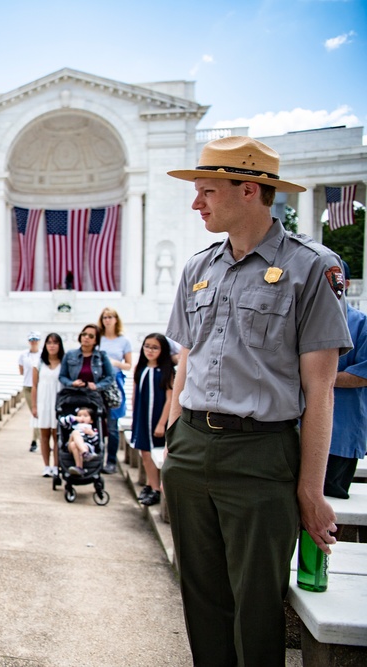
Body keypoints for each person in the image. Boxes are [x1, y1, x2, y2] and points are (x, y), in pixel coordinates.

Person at [164, 136, 350, 665]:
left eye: (205, 191)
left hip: (261, 454)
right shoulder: (198, 267)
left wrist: (311, 490)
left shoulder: (313, 267)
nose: (196, 203)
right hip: (193, 448)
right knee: (201, 599)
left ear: (248, 190)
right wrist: (176, 439)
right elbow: (187, 362)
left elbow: (320, 388)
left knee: (256, 606)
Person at [326, 259, 367, 499]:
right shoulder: (300, 321)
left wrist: (315, 377)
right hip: (295, 433)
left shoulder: (361, 324)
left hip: (340, 435)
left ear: (347, 284)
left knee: (327, 510)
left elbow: (362, 376)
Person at [130, 333, 174, 506]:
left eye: (155, 347)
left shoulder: (166, 371)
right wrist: (135, 417)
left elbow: (170, 399)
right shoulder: (140, 368)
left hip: (156, 418)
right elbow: (135, 395)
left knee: (150, 452)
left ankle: (156, 489)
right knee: (144, 452)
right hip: (142, 416)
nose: (150, 350)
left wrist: (162, 423)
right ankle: (150, 484)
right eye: (147, 346)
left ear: (162, 350)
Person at [98, 308, 132, 474]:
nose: (107, 320)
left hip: (115, 382)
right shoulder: (98, 338)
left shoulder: (123, 341)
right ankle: (96, 458)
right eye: (105, 317)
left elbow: (129, 364)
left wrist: (114, 363)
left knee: (112, 425)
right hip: (98, 382)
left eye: (110, 317)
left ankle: (111, 461)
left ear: (116, 319)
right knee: (96, 422)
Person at [31, 332, 65, 477]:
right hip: (43, 401)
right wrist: (34, 406)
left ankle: (56, 466)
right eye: (49, 343)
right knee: (44, 435)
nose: (52, 346)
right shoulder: (39, 362)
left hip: (58, 402)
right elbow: (34, 385)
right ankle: (46, 465)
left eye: (55, 343)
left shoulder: (64, 363)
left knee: (57, 435)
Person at [59, 324, 116, 396]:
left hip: (94, 396)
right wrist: (72, 383)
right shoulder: (69, 354)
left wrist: (97, 386)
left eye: (91, 336)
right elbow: (62, 376)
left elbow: (111, 376)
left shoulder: (101, 356)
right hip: (73, 395)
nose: (86, 337)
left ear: (96, 341)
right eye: (84, 334)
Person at [18, 331, 42, 452]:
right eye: (32, 340)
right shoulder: (23, 355)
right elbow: (21, 370)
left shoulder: (42, 355)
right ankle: (36, 439)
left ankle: (36, 439)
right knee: (34, 412)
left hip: (39, 387)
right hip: (28, 386)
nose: (34, 342)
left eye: (36, 340)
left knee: (39, 413)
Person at [58, 407, 99, 477]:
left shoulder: (92, 429)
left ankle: (79, 467)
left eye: (85, 416)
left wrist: (91, 434)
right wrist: (74, 418)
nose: (82, 418)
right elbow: (61, 421)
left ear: (91, 420)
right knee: (75, 432)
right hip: (71, 443)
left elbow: (95, 442)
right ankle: (85, 453)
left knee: (74, 444)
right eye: (79, 415)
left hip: (85, 444)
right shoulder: (73, 425)